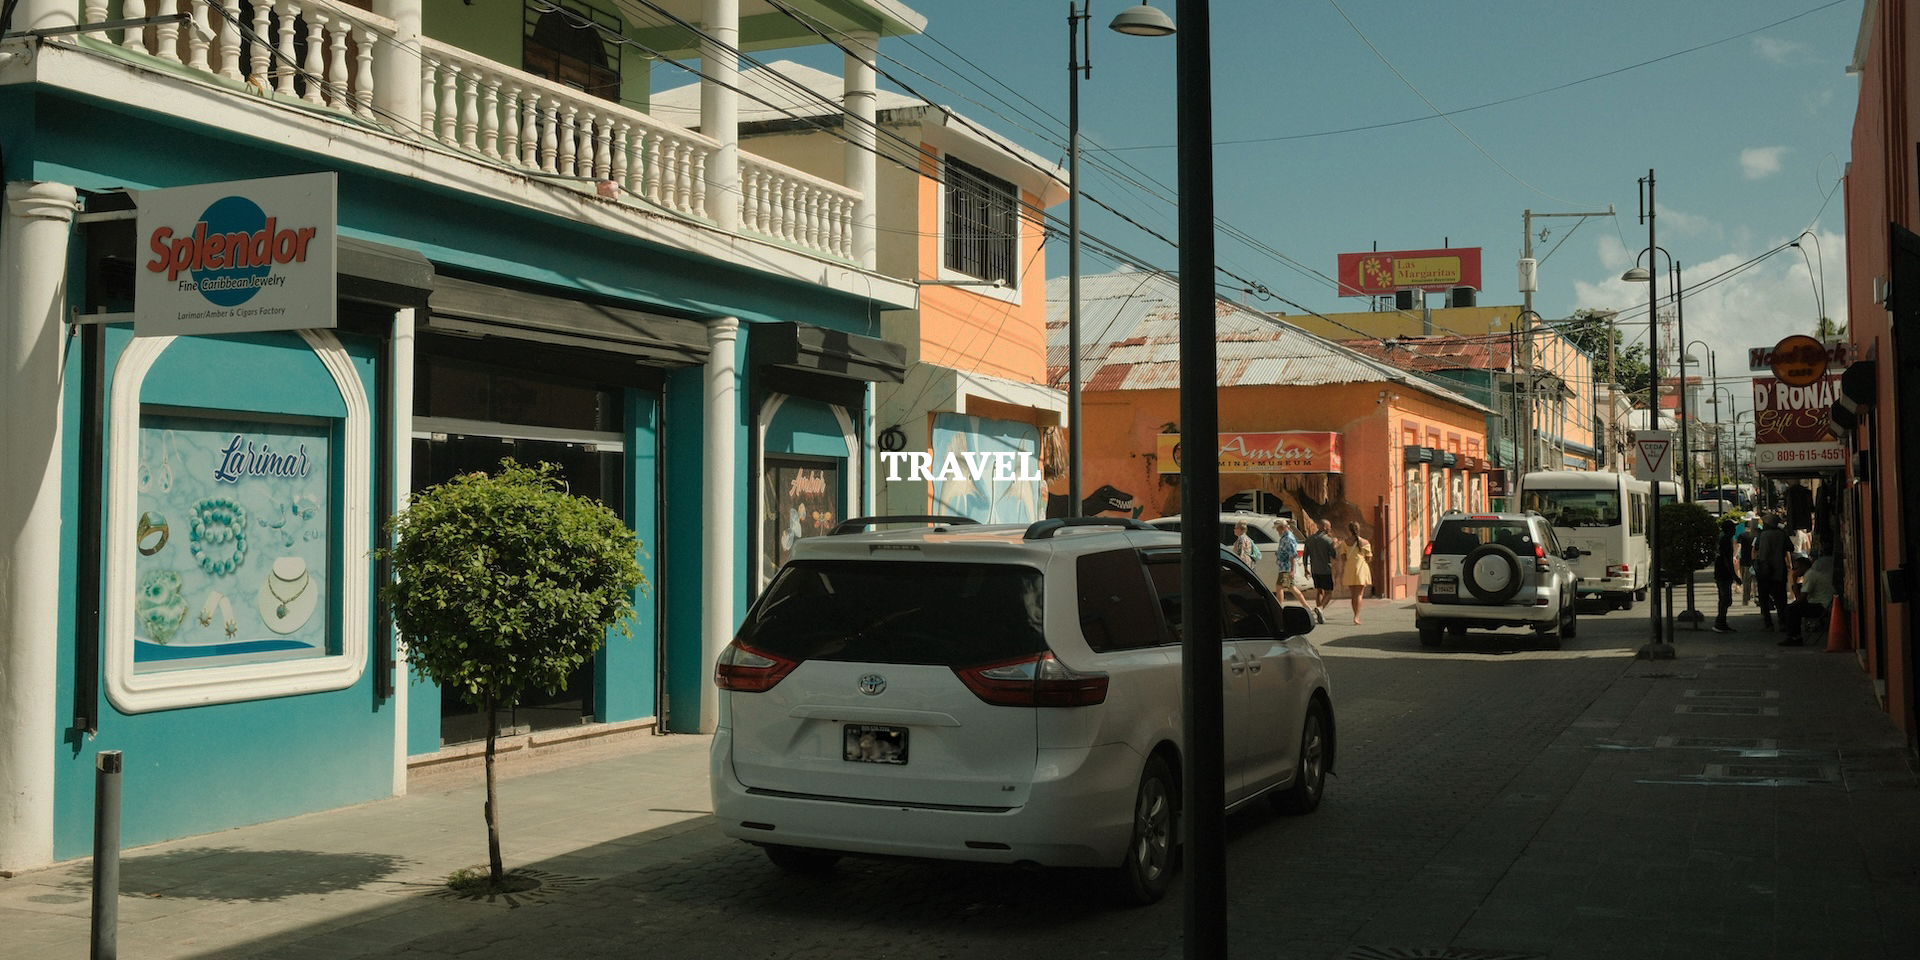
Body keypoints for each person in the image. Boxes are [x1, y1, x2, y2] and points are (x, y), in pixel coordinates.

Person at [1779, 553, 1835, 646]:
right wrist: (1795, 584)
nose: (1795, 571)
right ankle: (1795, 635)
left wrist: (1794, 580)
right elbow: (1799, 598)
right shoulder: (1811, 574)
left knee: (1791, 609)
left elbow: (1800, 599)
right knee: (1794, 607)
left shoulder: (1810, 575)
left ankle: (1794, 637)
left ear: (1803, 567)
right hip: (1822, 603)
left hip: (1823, 606)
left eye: (1796, 568)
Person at [1752, 512, 1793, 630]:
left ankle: (1768, 623)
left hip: (1765, 571)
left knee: (1764, 599)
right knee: (1781, 599)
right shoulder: (1782, 534)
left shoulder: (1763, 535)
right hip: (1779, 569)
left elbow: (1759, 551)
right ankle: (1783, 622)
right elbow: (1790, 547)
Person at [1335, 520, 1373, 625]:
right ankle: (1357, 616)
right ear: (1359, 529)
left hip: (1350, 569)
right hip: (1361, 569)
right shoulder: (1365, 542)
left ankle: (1354, 614)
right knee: (1359, 595)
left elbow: (1343, 558)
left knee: (1353, 595)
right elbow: (1369, 558)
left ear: (1349, 530)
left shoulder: (1345, 542)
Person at [1303, 517, 1338, 625]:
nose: (1330, 529)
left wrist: (1306, 569)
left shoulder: (1310, 539)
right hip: (1325, 569)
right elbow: (1334, 555)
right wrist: (1335, 545)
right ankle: (1321, 608)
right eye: (1329, 527)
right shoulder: (1328, 540)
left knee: (1319, 591)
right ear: (1324, 527)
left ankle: (1320, 613)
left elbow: (1305, 555)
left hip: (1315, 569)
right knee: (1328, 592)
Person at [1272, 518, 1309, 610]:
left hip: (1286, 567)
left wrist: (1292, 570)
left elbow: (1293, 555)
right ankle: (1306, 606)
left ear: (1282, 528)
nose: (1277, 530)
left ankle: (1279, 607)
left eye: (1278, 528)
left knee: (1279, 587)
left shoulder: (1288, 538)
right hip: (1283, 567)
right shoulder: (1285, 537)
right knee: (1291, 587)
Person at [1712, 516, 1741, 633]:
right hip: (1723, 573)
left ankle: (1722, 620)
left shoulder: (1725, 539)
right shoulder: (1726, 541)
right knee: (1725, 598)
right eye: (1733, 527)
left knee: (1725, 598)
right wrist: (1734, 575)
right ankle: (1720, 621)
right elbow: (1726, 559)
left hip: (1722, 572)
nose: (1735, 530)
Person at [1735, 516, 1757, 606]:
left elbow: (1739, 546)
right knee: (1756, 582)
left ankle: (1745, 600)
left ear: (1745, 527)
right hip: (1755, 561)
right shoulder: (1756, 536)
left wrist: (1735, 555)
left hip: (1745, 561)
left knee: (1746, 582)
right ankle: (1757, 598)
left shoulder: (1742, 535)